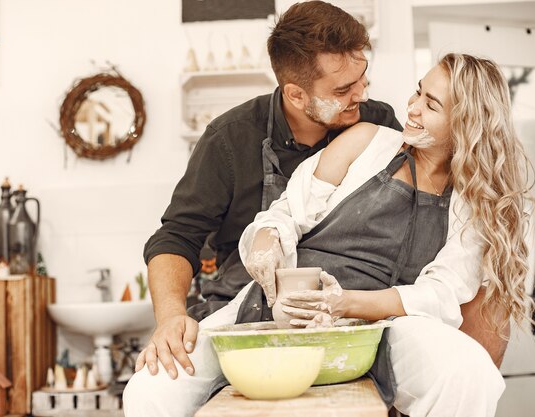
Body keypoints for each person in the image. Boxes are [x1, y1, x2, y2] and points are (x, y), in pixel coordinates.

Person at [127, 0, 401, 400]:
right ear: (295, 93)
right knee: (148, 394)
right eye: (343, 90)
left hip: (355, 315)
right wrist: (170, 318)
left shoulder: (377, 124)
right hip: (244, 314)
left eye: (362, 79)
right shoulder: (230, 139)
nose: (361, 93)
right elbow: (176, 238)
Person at [237, 53, 535, 416]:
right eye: (418, 92)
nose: (411, 108)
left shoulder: (473, 203)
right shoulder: (367, 141)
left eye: (431, 105)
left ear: (465, 126)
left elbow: (439, 293)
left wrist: (345, 303)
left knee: (470, 371)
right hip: (291, 310)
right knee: (162, 383)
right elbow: (286, 213)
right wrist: (266, 241)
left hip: (388, 324)